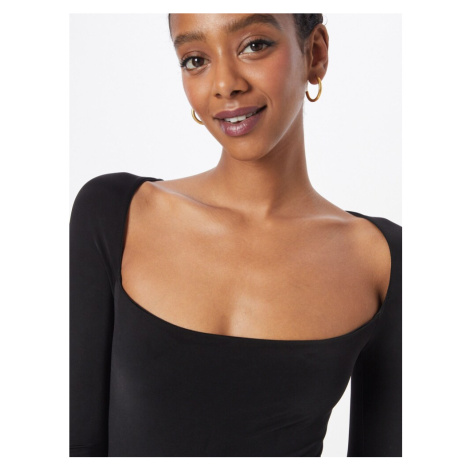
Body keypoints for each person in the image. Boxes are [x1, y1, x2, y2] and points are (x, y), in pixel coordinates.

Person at [70, 13, 402, 457]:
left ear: (315, 53)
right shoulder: (114, 215)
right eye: (195, 59)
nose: (225, 84)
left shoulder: (381, 259)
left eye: (254, 45)